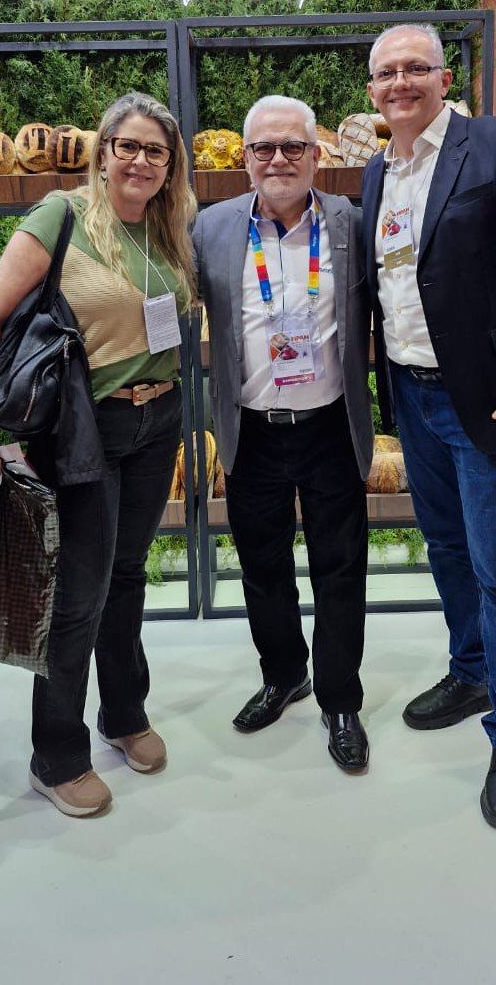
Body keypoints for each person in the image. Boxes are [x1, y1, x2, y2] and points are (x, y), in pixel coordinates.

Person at [361, 24, 496, 829]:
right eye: (386, 73)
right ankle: (474, 668)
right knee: (449, 550)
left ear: (444, 76)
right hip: (414, 399)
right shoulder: (378, 170)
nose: (400, 82)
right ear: (373, 92)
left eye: (415, 67)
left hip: (491, 399)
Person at [0, 92, 196, 817]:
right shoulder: (61, 216)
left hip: (160, 422)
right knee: (80, 590)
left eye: (156, 151)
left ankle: (123, 715)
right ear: (103, 149)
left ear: (169, 164)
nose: (141, 161)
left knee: (127, 575)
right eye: (128, 145)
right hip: (86, 429)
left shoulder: (166, 226)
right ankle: (56, 753)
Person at [193, 95, 374, 772]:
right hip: (253, 430)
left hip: (331, 426)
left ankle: (340, 698)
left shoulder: (351, 223)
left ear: (315, 155)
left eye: (292, 146)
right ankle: (283, 674)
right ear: (244, 159)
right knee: (263, 569)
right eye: (263, 148)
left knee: (340, 569)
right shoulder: (210, 228)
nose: (278, 159)